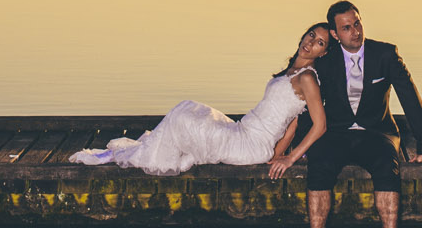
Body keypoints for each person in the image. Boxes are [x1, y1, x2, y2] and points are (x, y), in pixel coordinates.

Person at [70, 24, 330, 175]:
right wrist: (277, 153)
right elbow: (292, 122)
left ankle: (138, 155)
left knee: (182, 119)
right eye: (311, 35)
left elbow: (320, 126)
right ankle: (145, 153)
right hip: (243, 131)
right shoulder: (292, 71)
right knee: (188, 110)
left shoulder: (307, 78)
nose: (311, 43)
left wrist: (289, 158)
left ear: (324, 53)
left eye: (320, 43)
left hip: (249, 145)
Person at [304, 0, 422, 228]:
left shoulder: (385, 54)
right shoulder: (325, 60)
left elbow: (409, 97)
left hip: (377, 132)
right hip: (335, 132)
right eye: (346, 28)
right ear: (334, 34)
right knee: (318, 166)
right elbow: (306, 102)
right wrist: (300, 145)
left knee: (387, 167)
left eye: (357, 23)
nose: (355, 32)